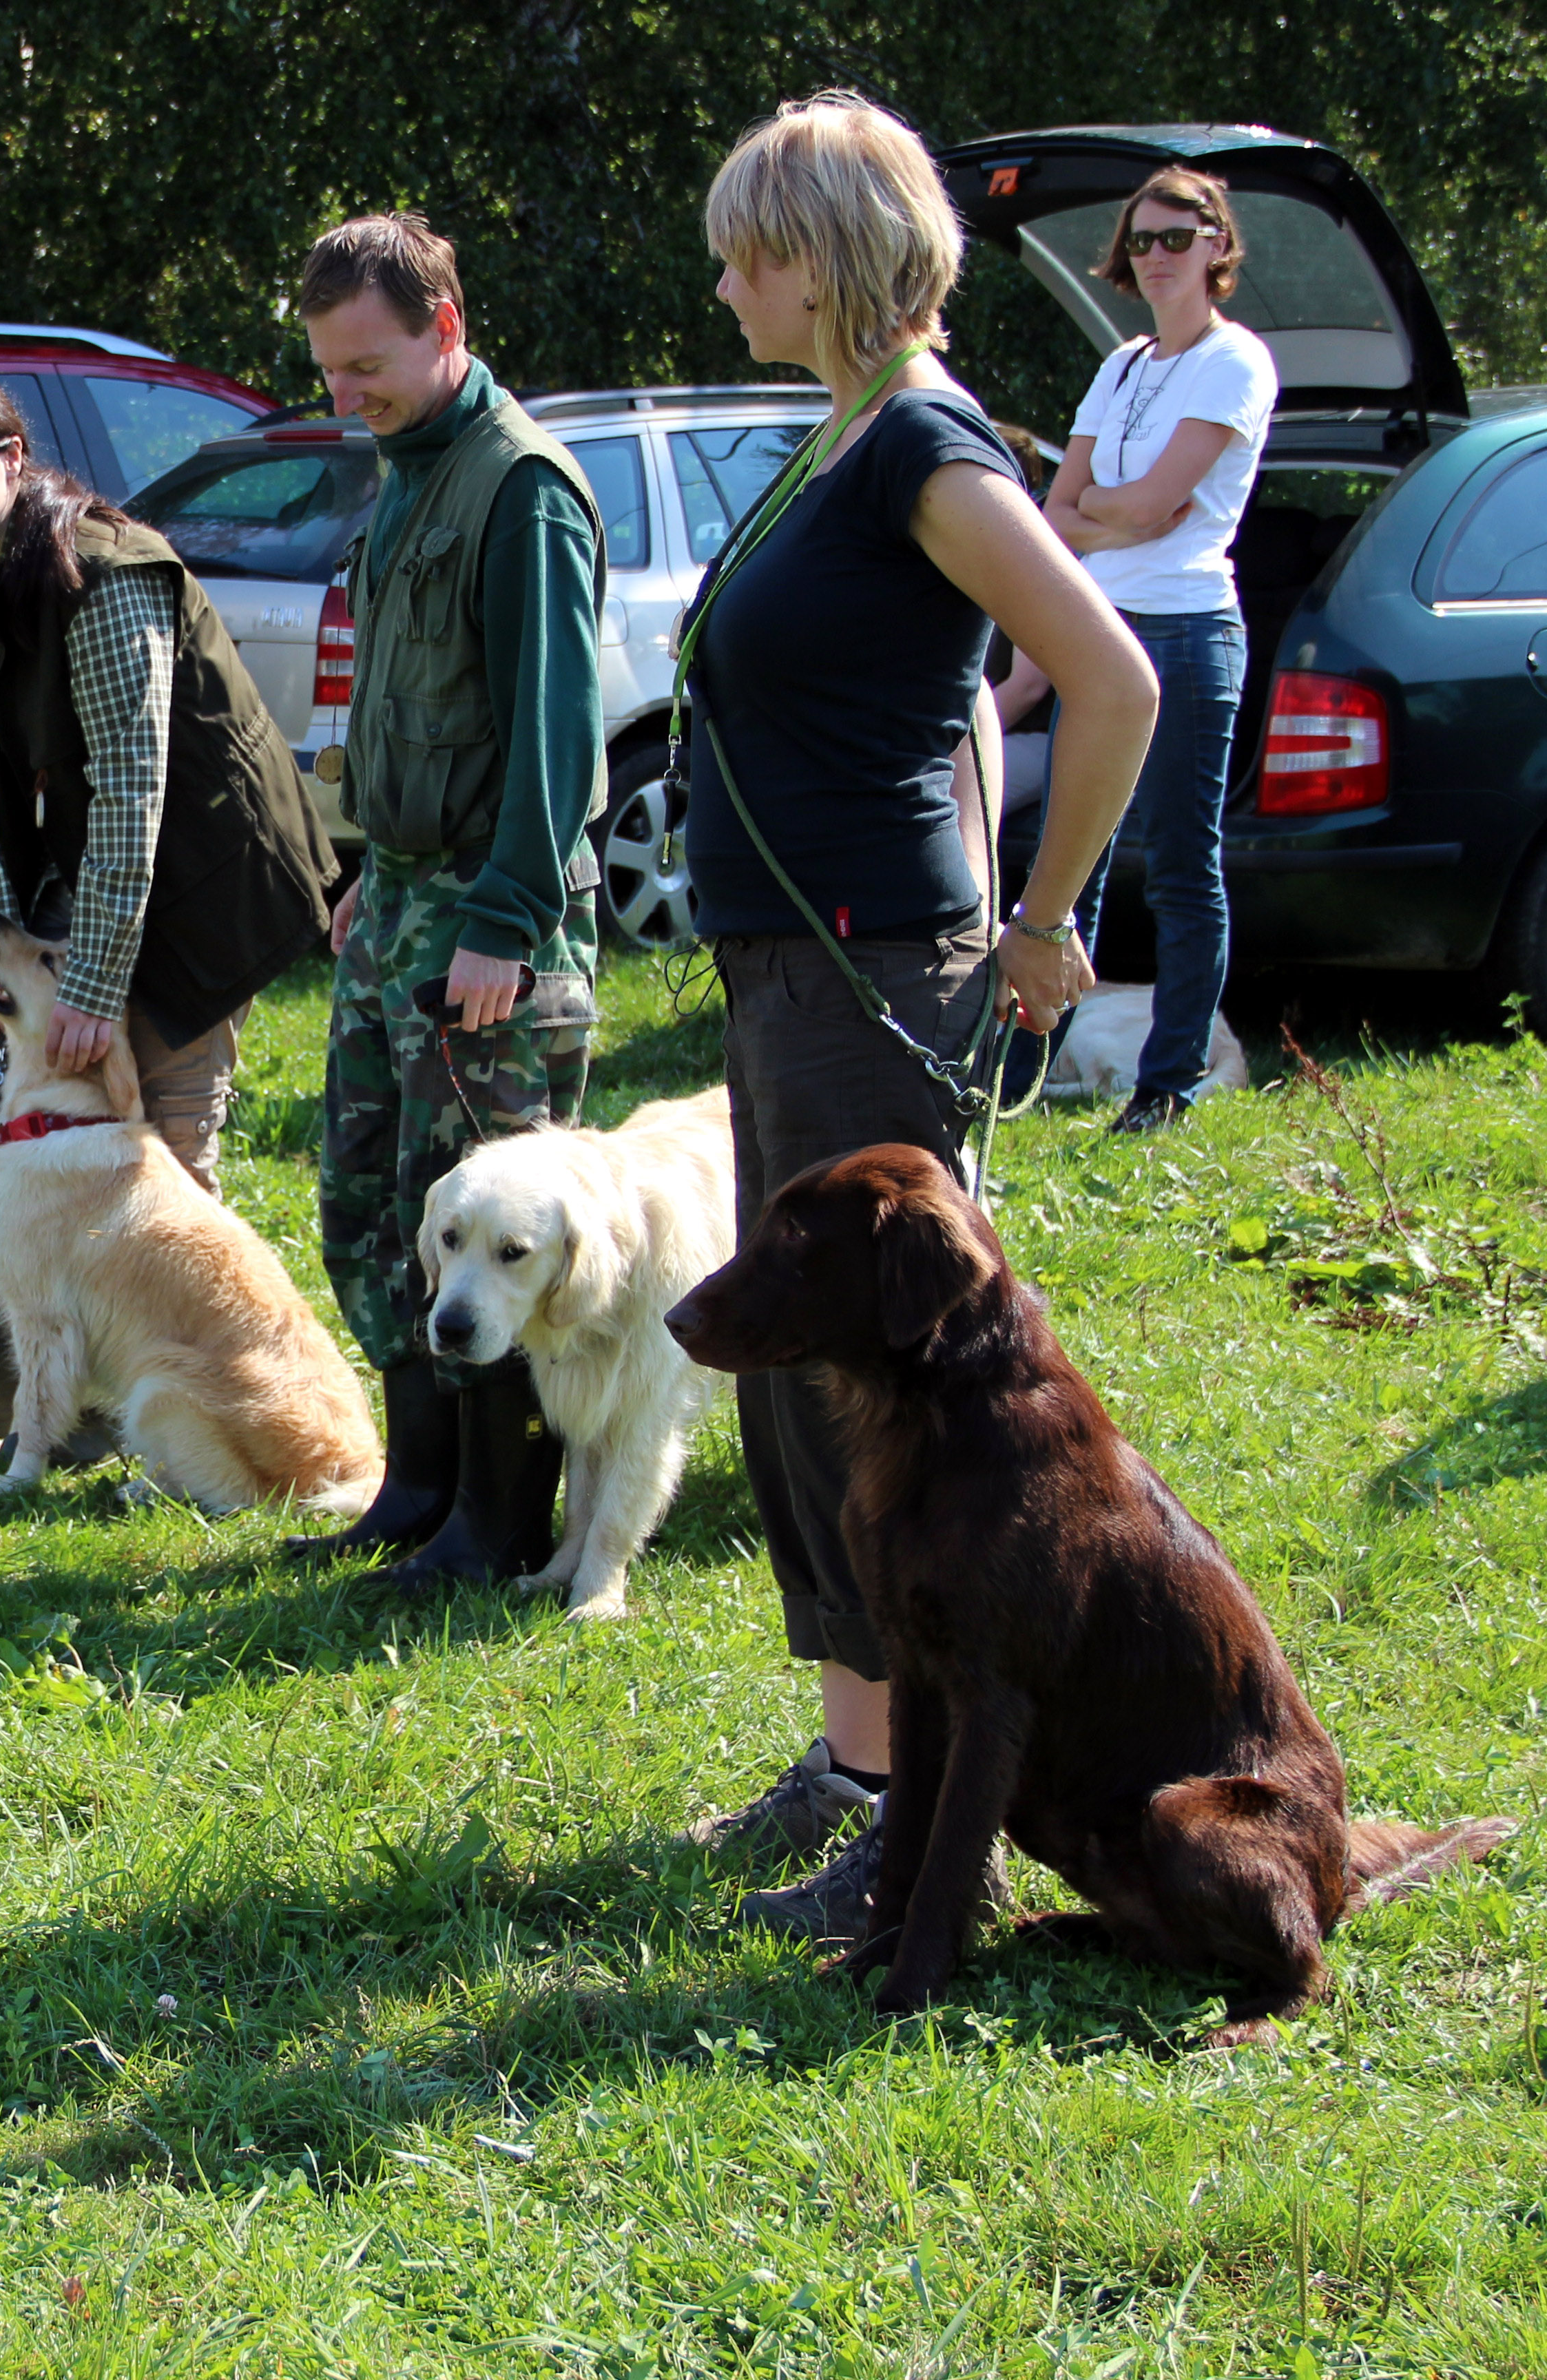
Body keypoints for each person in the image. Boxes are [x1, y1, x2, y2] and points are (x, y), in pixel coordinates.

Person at [674, 94, 1156, 1943]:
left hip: (869, 982)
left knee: (906, 1411)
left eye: (750, 249)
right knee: (811, 1399)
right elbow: (963, 696)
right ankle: (860, 1758)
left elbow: (1103, 681)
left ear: (833, 253)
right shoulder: (845, 441)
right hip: (798, 972)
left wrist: (1041, 923)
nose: (726, 283)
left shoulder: (924, 445)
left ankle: (926, 1804)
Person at [0, 363, 327, 1451]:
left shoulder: (103, 576)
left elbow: (132, 792)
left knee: (155, 1151)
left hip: (200, 889)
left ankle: (153, 1409)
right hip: (86, 883)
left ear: (12, 458)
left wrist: (96, 991)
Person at [271, 214, 611, 1601]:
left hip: (490, 918)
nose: (346, 395)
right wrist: (362, 872)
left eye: (367, 366)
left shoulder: (520, 486)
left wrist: (508, 920)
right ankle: (416, 1491)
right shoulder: (408, 470)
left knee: (492, 1238)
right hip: (403, 899)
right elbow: (396, 699)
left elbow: (555, 731)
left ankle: (495, 1526)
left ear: (445, 327)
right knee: (374, 1206)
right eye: (329, 372)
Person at [1041, 168, 1275, 1135]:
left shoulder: (1236, 360)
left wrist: (1107, 511)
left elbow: (1147, 505)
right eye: (1141, 241)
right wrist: (1114, 516)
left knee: (1181, 866)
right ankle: (1031, 1068)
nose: (1157, 257)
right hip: (1098, 631)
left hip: (1187, 631)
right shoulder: (1124, 364)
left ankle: (1168, 1083)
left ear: (1219, 246)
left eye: (1178, 237)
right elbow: (1059, 510)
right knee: (1072, 863)